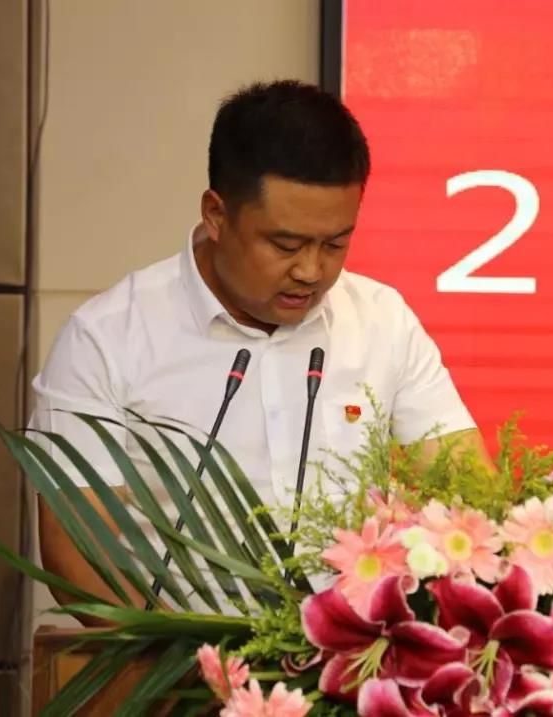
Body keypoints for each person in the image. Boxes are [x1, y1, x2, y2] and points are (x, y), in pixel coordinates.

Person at [32, 80, 492, 620]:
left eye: (335, 243)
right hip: (177, 657)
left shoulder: (381, 320)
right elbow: (76, 550)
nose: (311, 271)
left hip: (352, 657)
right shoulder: (107, 338)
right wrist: (180, 653)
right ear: (216, 214)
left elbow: (471, 495)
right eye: (285, 244)